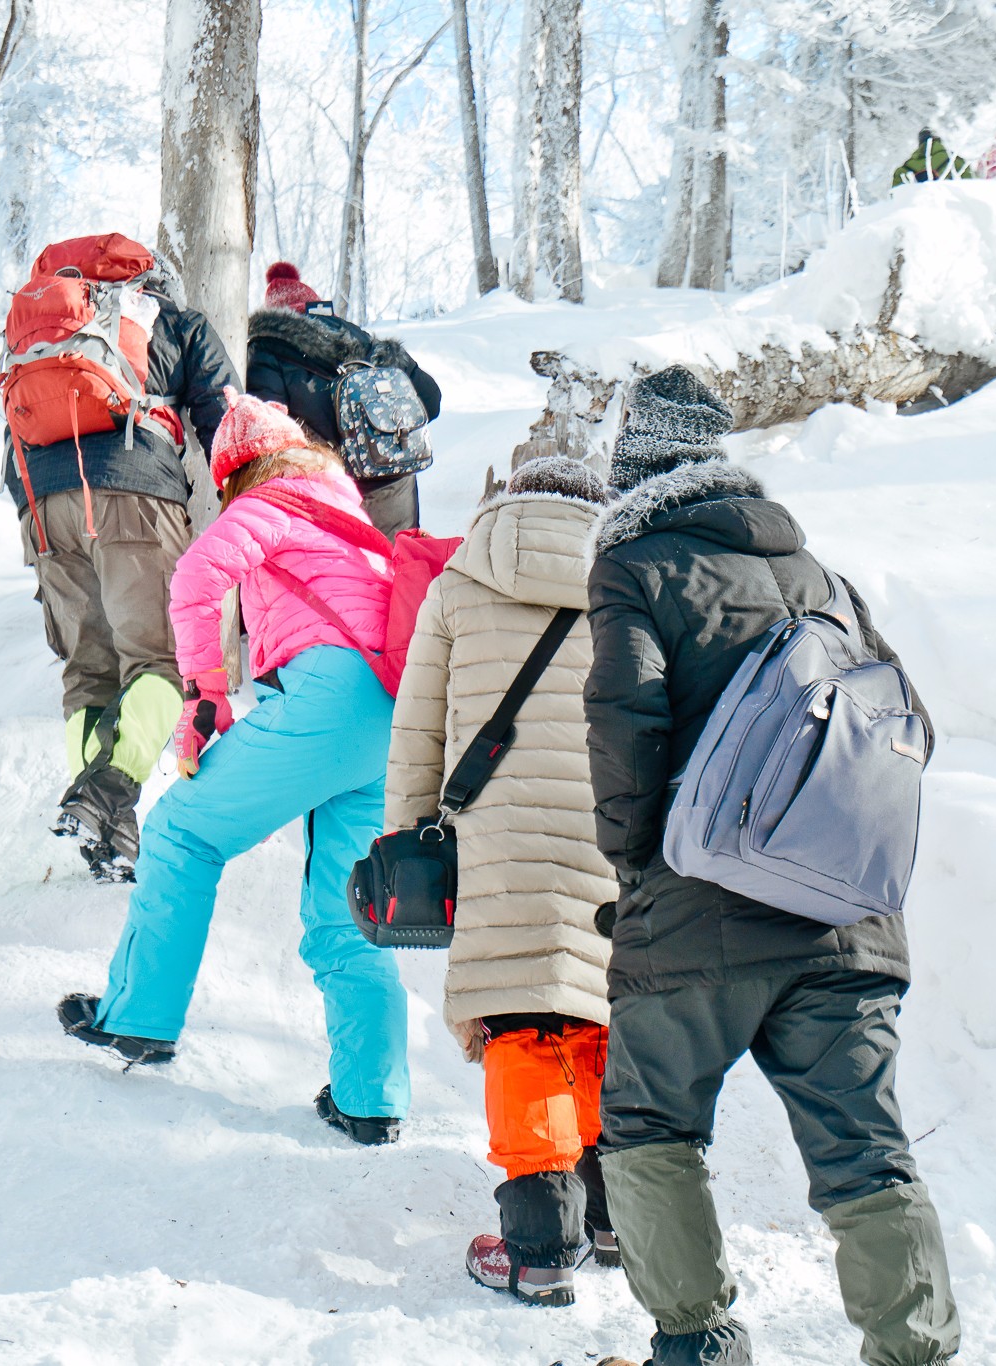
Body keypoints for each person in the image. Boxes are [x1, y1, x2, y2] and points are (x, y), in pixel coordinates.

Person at [581, 367, 959, 1366]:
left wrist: (634, 861)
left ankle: (697, 1346)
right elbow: (908, 728)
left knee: (647, 1127)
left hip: (694, 911)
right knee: (863, 1147)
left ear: (632, 460)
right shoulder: (823, 577)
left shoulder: (632, 563)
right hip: (842, 918)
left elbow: (626, 727)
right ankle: (914, 1352)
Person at [57, 390, 409, 1146]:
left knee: (182, 832)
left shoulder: (273, 499)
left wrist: (205, 693)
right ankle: (370, 1099)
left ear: (238, 470)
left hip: (326, 699)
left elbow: (193, 579)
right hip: (389, 721)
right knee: (349, 908)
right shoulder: (354, 520)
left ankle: (140, 1016)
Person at [384, 455, 620, 1306]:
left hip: (498, 842)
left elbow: (417, 731)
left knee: (525, 1025)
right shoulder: (628, 580)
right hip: (609, 834)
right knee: (597, 1016)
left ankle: (539, 1248)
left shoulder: (461, 582)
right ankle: (616, 1217)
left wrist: (408, 839)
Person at [3, 240, 238, 880]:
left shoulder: (46, 327)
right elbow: (228, 425)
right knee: (158, 661)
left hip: (43, 506)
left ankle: (106, 822)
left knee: (89, 671)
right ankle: (111, 791)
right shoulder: (175, 324)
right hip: (135, 496)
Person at [247, 262, 443, 539]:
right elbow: (431, 401)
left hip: (327, 492)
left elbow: (265, 433)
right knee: (395, 574)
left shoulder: (265, 350)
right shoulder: (368, 343)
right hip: (394, 482)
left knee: (342, 580)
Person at [891, 128, 972, 187]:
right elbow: (970, 184)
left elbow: (895, 195)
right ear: (938, 140)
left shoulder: (906, 167)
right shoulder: (953, 159)